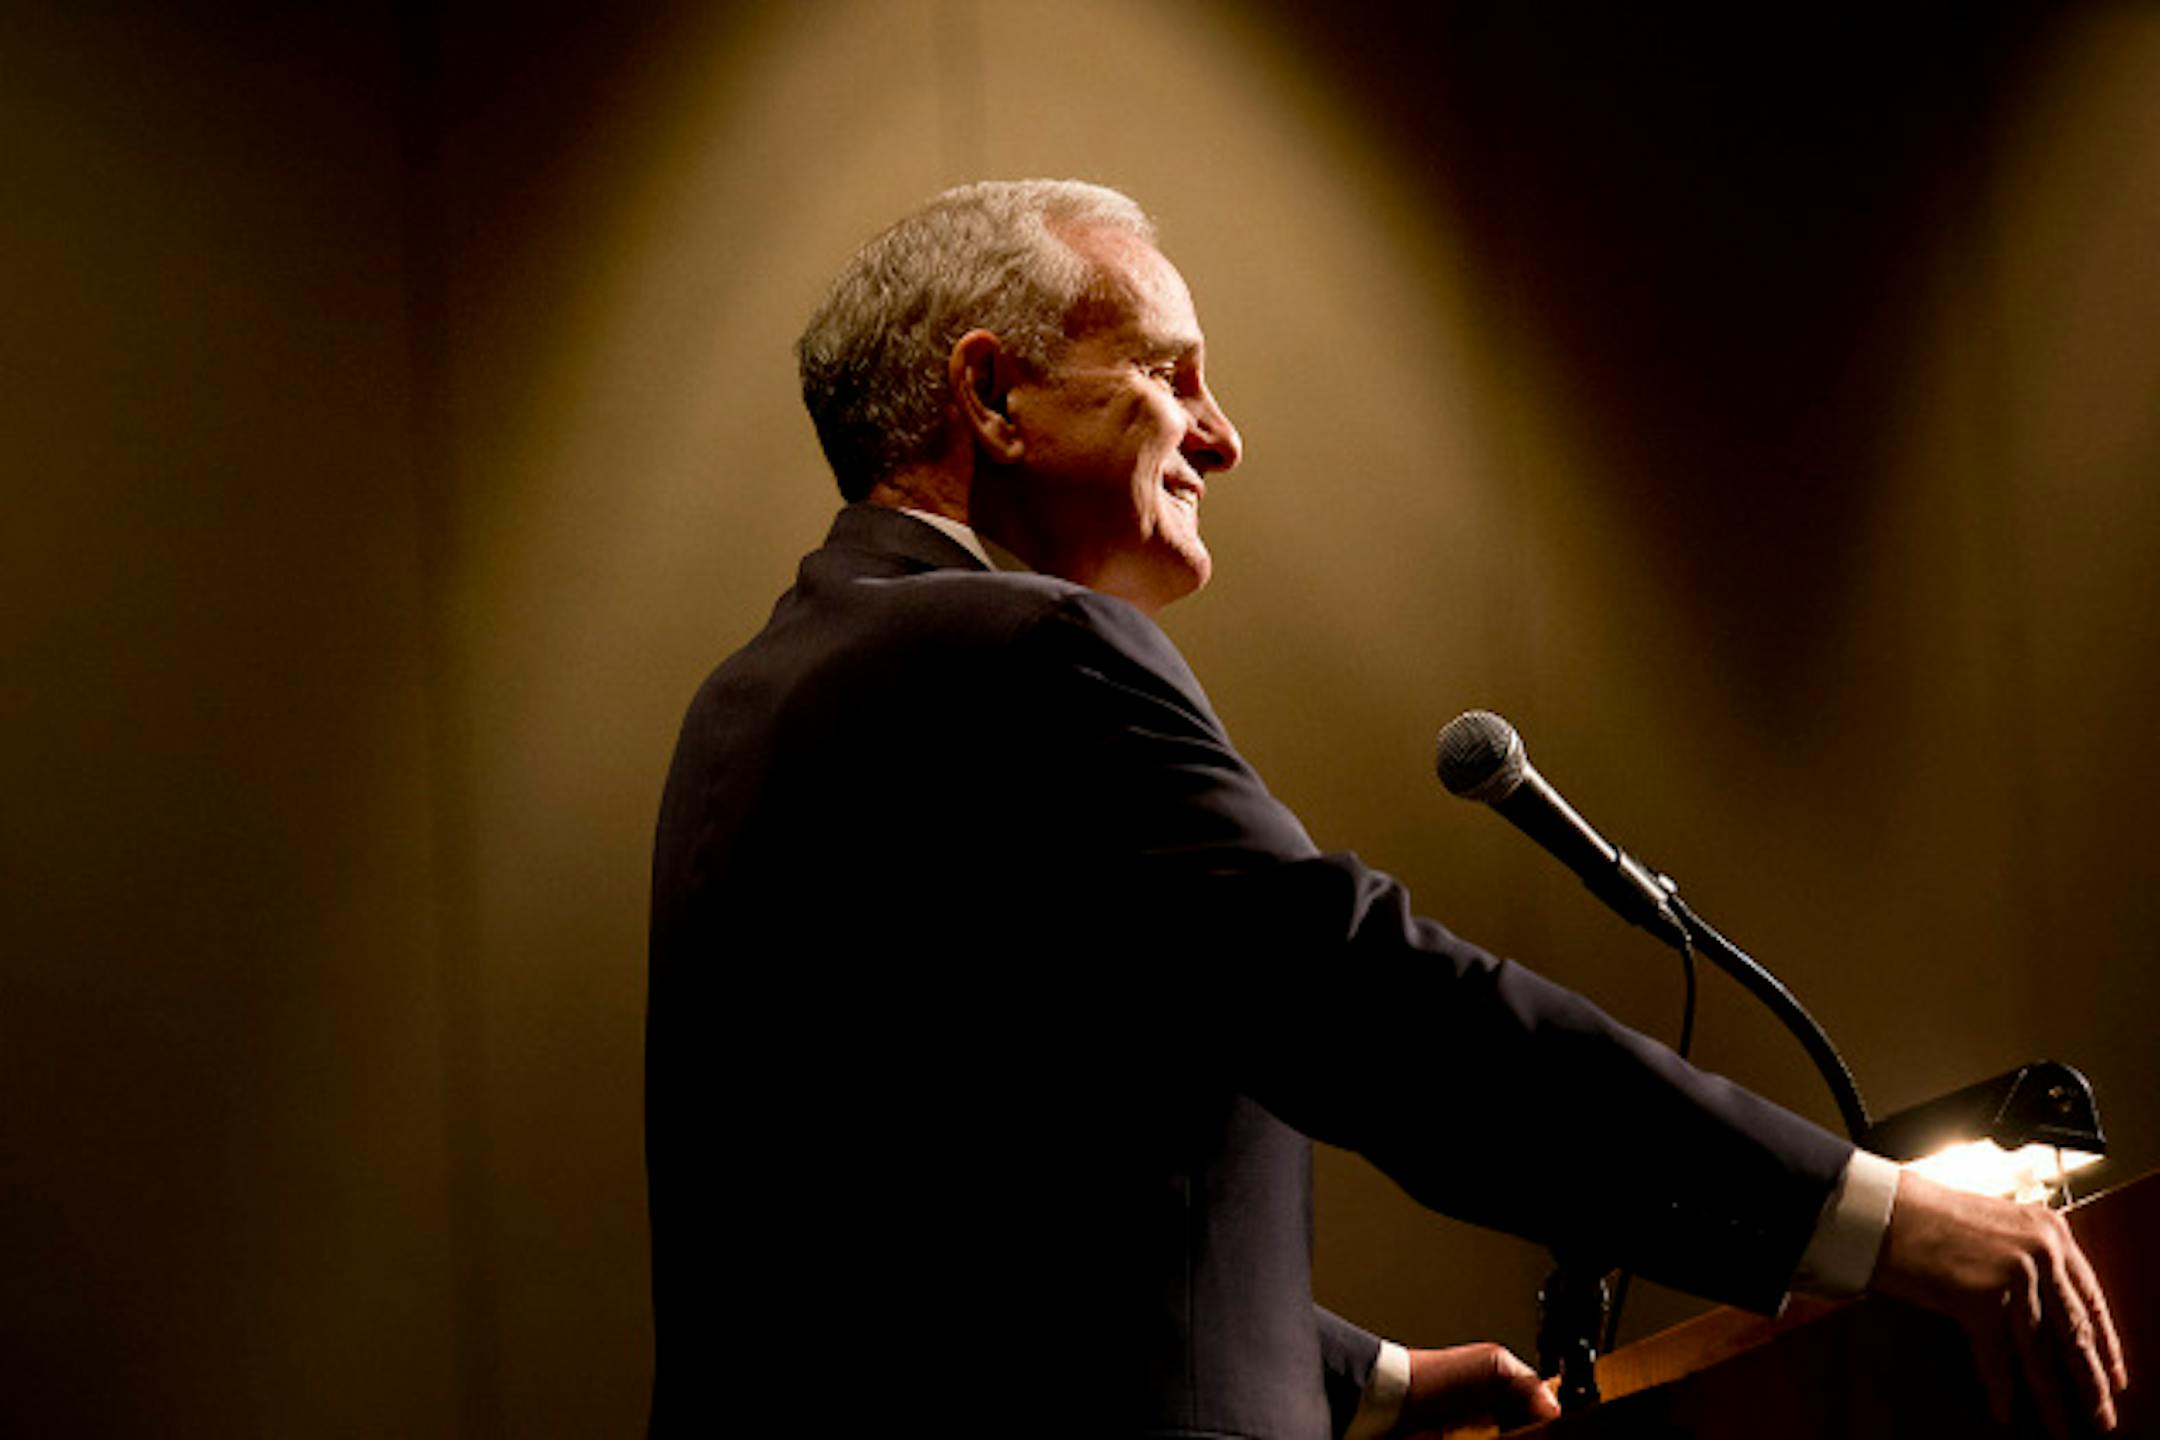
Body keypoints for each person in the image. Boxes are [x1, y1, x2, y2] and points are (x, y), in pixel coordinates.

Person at [646, 180, 2126, 1439]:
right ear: (989, 397)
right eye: (1171, 371)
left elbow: (930, 1204)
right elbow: (1359, 997)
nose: (1220, 438)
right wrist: (1873, 1221)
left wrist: (1368, 1377)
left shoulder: (749, 702)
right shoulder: (1034, 650)